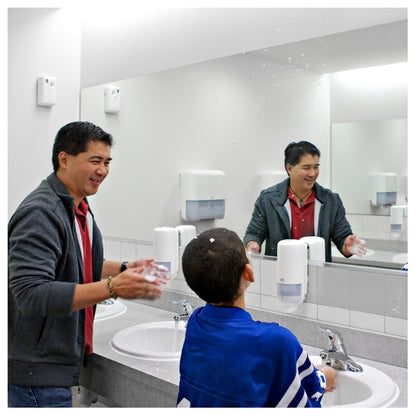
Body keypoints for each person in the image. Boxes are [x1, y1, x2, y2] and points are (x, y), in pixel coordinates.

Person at [8, 121, 162, 407]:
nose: (102, 171)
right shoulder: (41, 213)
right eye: (94, 161)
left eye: (106, 162)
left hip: (56, 367)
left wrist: (124, 269)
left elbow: (75, 260)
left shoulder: (78, 206)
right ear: (64, 159)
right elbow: (30, 293)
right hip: (37, 375)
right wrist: (112, 288)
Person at [177, 228, 337, 408]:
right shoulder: (276, 342)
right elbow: (306, 396)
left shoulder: (196, 323)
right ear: (248, 272)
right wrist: (324, 377)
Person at [244, 141, 366, 261]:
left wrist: (348, 245)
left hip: (318, 273)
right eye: (306, 168)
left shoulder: (331, 201)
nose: (312, 173)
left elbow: (342, 237)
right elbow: (254, 233)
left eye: (316, 167)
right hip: (280, 272)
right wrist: (252, 245)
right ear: (290, 168)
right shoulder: (268, 199)